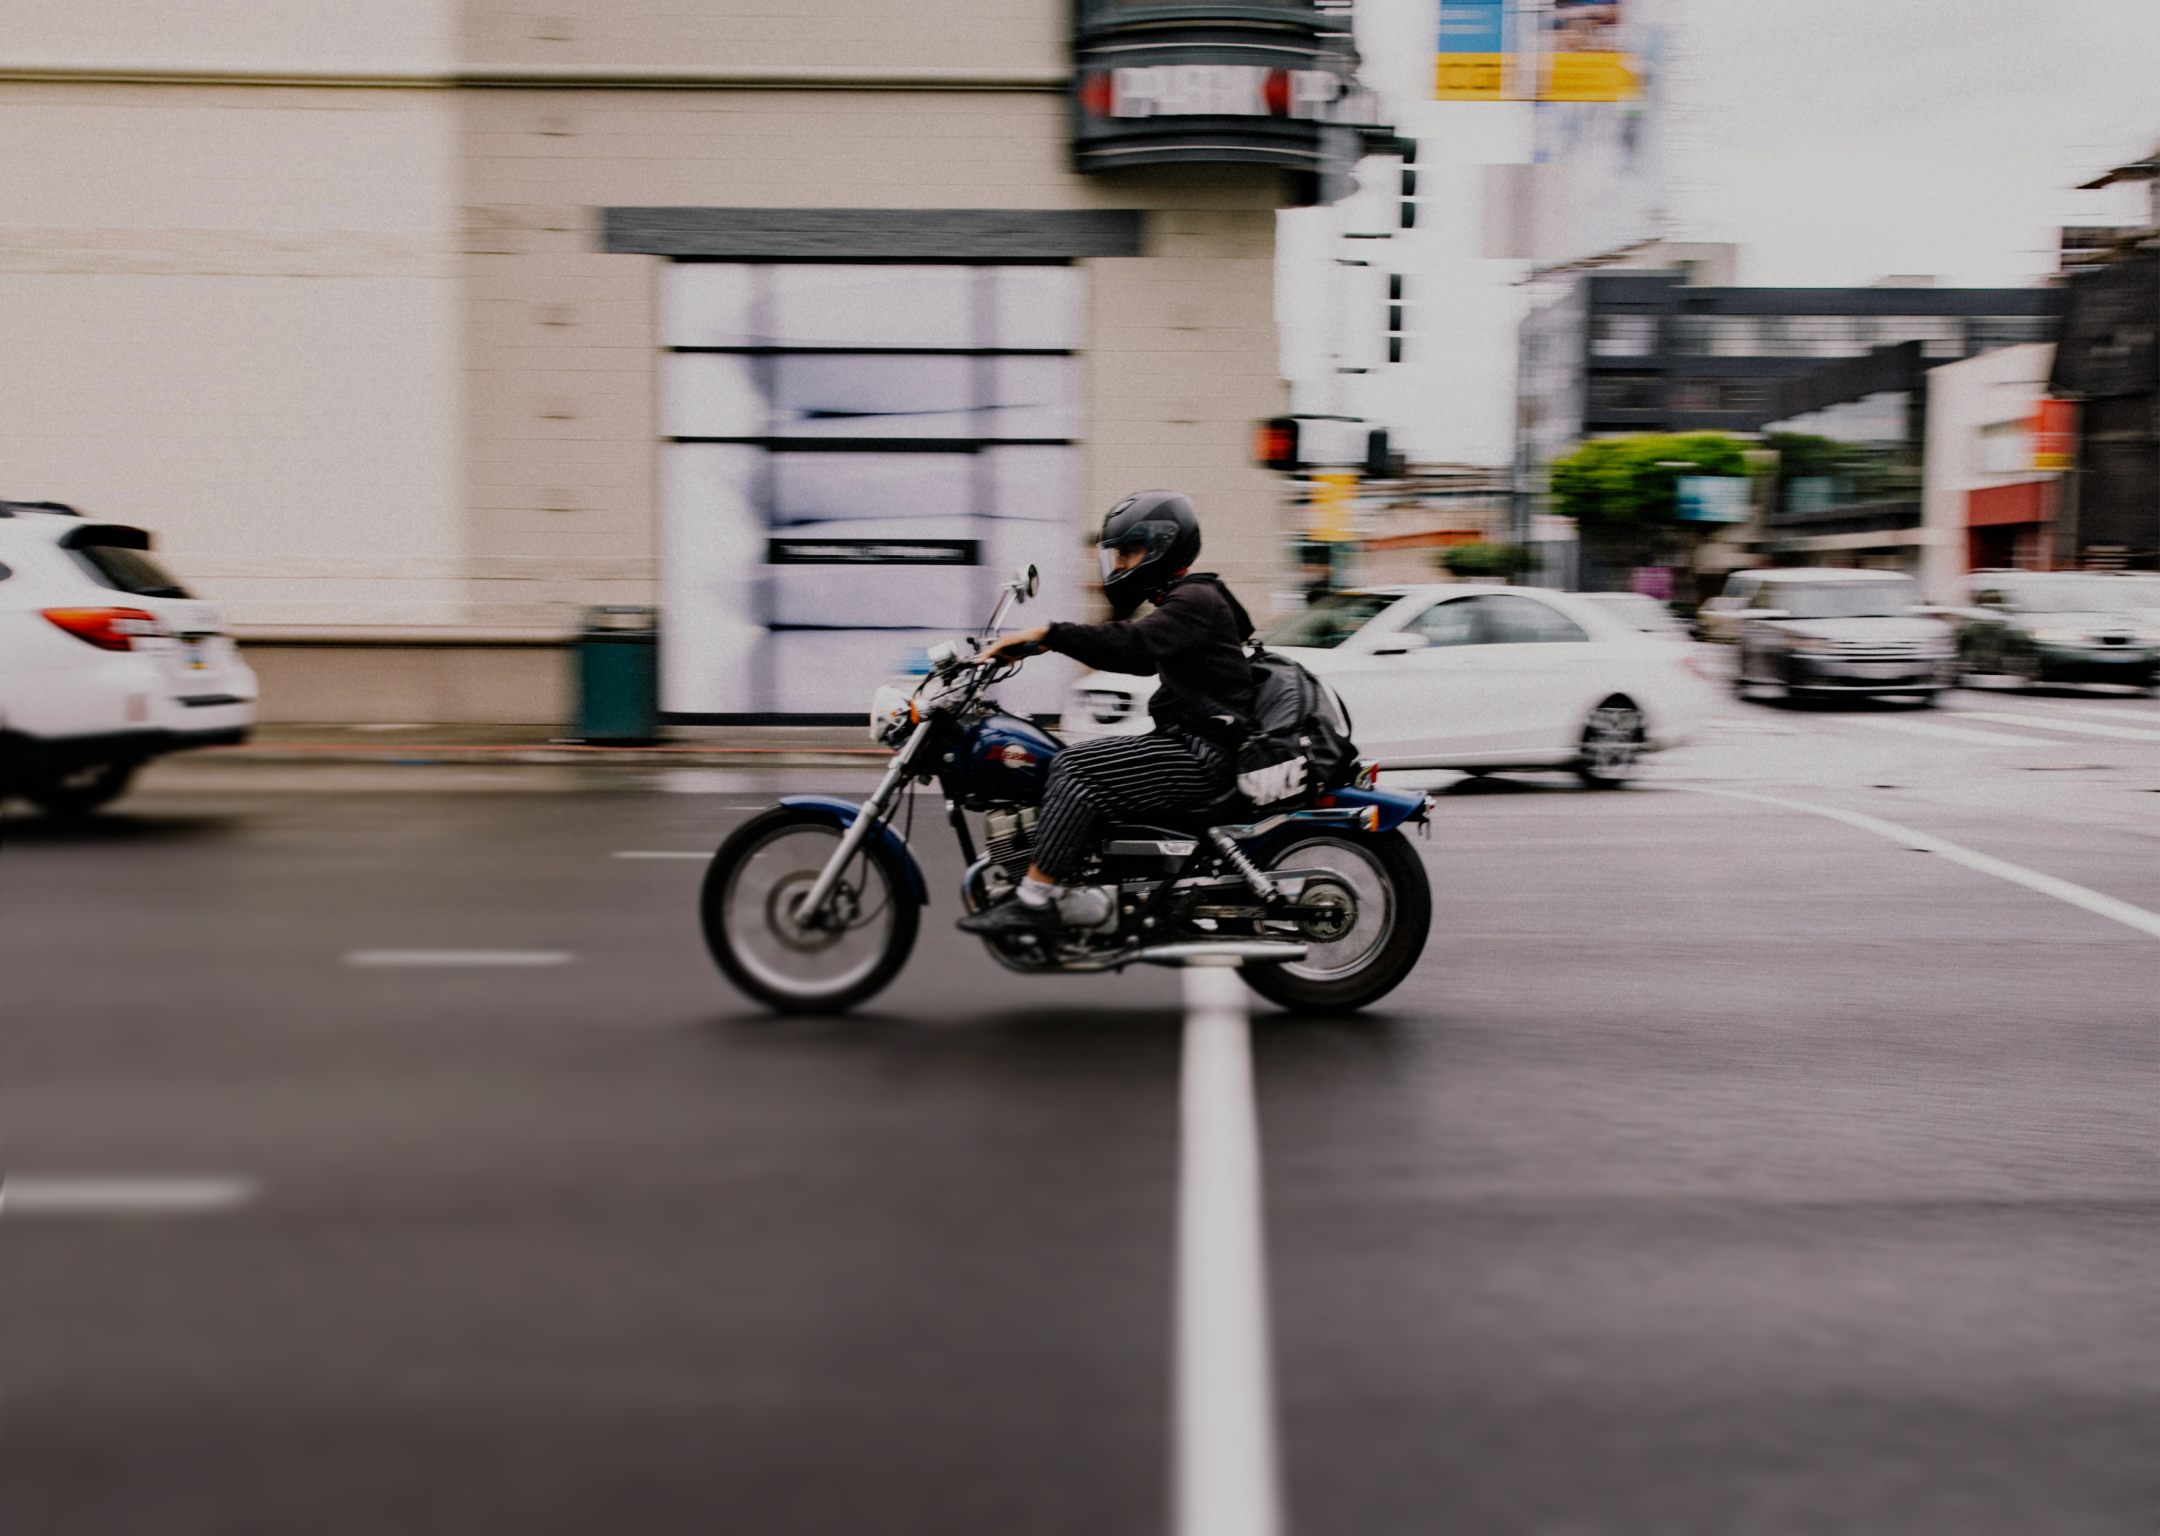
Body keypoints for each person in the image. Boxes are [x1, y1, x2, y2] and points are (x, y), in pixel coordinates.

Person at [957, 490, 1256, 939]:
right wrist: (1039, 645)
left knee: (1074, 768)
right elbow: (1141, 656)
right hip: (1190, 743)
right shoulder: (1188, 602)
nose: (1118, 565)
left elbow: (1132, 644)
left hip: (1203, 754)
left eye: (1127, 553)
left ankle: (1035, 903)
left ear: (1161, 545)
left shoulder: (1196, 599)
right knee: (1077, 761)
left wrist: (1049, 634)